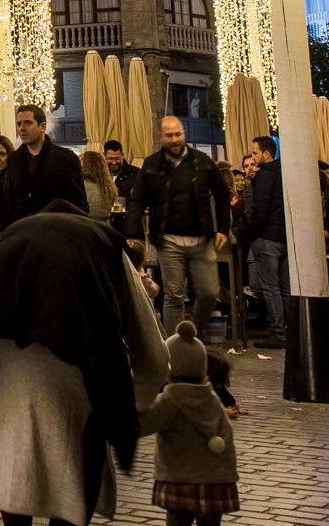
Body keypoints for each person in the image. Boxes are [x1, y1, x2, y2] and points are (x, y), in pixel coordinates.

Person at [0, 202, 161, 526]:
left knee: (15, 466)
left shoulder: (6, 240)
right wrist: (136, 404)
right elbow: (150, 347)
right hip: (72, 356)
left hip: (4, 363)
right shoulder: (101, 241)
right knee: (77, 471)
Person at [140, 115, 231, 338]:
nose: (174, 139)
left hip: (201, 239)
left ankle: (191, 332)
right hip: (169, 239)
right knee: (174, 294)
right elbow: (138, 199)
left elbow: (221, 193)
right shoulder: (152, 164)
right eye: (169, 135)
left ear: (184, 134)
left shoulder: (201, 161)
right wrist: (134, 233)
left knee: (210, 292)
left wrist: (223, 228)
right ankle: (175, 346)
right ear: (161, 137)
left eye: (178, 134)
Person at [142, 321, 240, 526]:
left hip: (181, 481)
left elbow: (143, 425)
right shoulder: (211, 398)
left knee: (178, 521)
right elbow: (226, 437)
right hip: (216, 482)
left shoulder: (169, 401)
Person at [237, 134, 287, 341]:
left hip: (266, 238)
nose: (252, 156)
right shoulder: (283, 172)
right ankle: (290, 327)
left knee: (269, 286)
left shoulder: (265, 175)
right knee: (284, 287)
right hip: (283, 237)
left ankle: (277, 331)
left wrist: (250, 233)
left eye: (255, 153)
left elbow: (260, 210)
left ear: (266, 154)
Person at [7, 103, 85, 219]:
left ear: (42, 127)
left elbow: (78, 205)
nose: (22, 128)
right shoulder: (13, 159)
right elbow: (11, 202)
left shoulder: (66, 159)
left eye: (28, 123)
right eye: (19, 124)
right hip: (23, 231)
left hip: (54, 230)